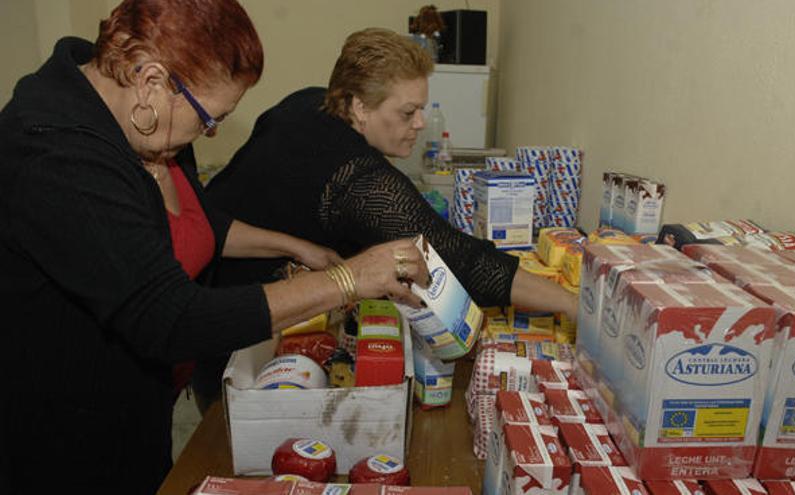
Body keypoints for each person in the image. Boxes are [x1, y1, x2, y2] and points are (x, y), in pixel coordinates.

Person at [0, 3, 428, 494]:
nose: (211, 132)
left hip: (140, 407)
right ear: (152, 80)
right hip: (68, 440)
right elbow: (173, 318)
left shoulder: (142, 118)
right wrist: (347, 279)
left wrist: (296, 246)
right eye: (209, 119)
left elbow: (196, 221)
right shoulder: (56, 158)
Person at [201, 28, 579, 409]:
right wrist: (571, 304)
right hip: (226, 315)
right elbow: (461, 260)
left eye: (422, 109)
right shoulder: (358, 179)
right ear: (360, 107)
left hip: (210, 248)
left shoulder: (310, 102)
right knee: (223, 426)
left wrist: (300, 247)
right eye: (407, 112)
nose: (419, 123)